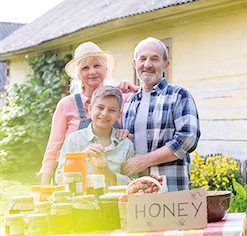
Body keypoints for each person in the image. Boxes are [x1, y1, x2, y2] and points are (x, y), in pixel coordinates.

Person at [38, 42, 131, 185]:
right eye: (85, 68)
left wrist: (127, 132)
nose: (92, 72)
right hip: (73, 180)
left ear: (106, 68)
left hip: (111, 183)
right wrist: (43, 187)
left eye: (97, 66)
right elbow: (53, 148)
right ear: (78, 74)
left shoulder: (121, 99)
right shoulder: (66, 104)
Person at [121, 37, 201, 192]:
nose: (147, 64)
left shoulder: (179, 95)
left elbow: (188, 139)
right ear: (134, 64)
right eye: (142, 59)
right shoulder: (130, 102)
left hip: (170, 189)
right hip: (136, 190)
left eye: (155, 59)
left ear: (166, 64)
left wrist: (144, 161)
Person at [55, 85, 134, 185]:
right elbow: (59, 178)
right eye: (100, 108)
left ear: (119, 115)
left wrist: (107, 173)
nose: (105, 114)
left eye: (112, 110)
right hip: (81, 199)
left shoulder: (126, 145)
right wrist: (80, 159)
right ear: (90, 109)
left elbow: (134, 184)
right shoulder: (74, 141)